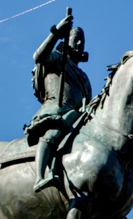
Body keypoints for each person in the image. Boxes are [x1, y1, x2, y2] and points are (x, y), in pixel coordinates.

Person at [25, 13, 92, 192]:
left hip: (76, 117)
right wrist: (56, 32)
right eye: (76, 39)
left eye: (82, 42)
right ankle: (40, 177)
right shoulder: (56, 59)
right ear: (66, 41)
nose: (80, 44)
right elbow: (39, 56)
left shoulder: (84, 78)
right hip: (56, 112)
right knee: (53, 134)